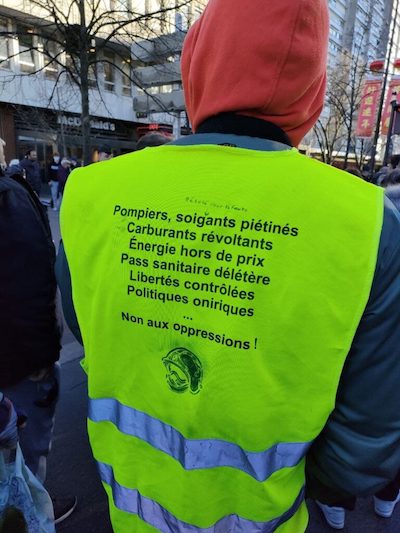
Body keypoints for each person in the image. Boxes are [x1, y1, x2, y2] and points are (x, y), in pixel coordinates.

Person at [58, 1, 400, 531]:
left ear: (196, 64)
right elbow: (366, 441)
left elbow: (88, 327)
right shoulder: (370, 221)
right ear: (311, 94)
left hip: (127, 510)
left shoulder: (90, 191)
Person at [0, 163, 77, 524]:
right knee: (24, 454)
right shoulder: (9, 198)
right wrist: (41, 358)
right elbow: (29, 284)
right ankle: (32, 510)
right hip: (21, 362)